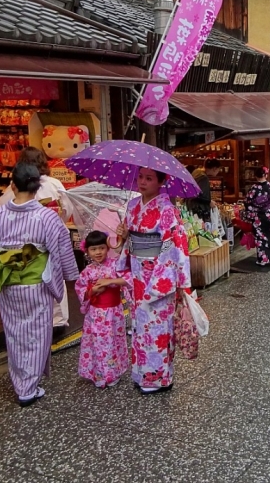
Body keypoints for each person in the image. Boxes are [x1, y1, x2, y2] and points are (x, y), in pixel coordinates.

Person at [0, 162, 79, 406]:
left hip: (8, 283)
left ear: (13, 185)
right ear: (38, 187)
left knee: (14, 334)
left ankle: (21, 381)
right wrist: (70, 276)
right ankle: (27, 387)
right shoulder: (46, 217)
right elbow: (63, 247)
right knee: (38, 334)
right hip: (36, 283)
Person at [115, 167, 191, 394]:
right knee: (139, 326)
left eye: (149, 178)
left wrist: (160, 267)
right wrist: (125, 234)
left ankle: (158, 379)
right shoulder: (132, 206)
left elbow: (174, 243)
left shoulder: (167, 210)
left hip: (158, 275)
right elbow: (126, 244)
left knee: (157, 327)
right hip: (138, 274)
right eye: (140, 177)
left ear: (161, 182)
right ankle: (141, 373)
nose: (142, 182)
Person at [0, 146, 71, 331]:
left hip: (23, 242)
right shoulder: (54, 184)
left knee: (29, 280)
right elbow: (67, 209)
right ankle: (57, 320)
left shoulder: (14, 187)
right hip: (51, 238)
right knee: (54, 277)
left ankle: (31, 320)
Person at [75, 230, 132, 389]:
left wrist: (108, 282)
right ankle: (100, 374)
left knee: (113, 342)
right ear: (87, 251)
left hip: (114, 312)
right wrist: (92, 291)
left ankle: (112, 373)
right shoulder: (87, 272)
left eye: (101, 248)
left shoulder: (115, 264)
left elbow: (128, 279)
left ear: (107, 248)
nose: (98, 252)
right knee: (98, 343)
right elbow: (80, 289)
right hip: (95, 314)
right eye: (93, 249)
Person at [243, 165, 270, 266]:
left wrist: (251, 213)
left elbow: (247, 202)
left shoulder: (253, 189)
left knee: (260, 237)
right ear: (266, 175)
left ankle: (263, 259)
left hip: (258, 216)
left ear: (256, 176)